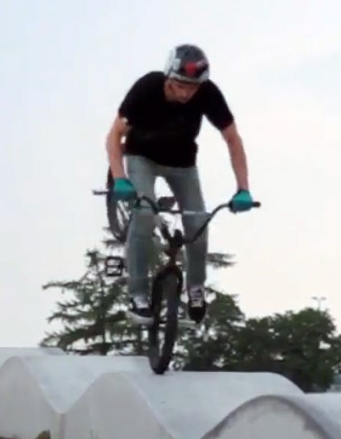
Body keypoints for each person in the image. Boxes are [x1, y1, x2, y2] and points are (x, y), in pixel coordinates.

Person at [104, 44, 255, 326]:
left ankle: (195, 289)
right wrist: (120, 177)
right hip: (141, 157)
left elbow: (233, 139)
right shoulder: (148, 88)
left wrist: (243, 188)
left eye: (192, 88)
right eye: (179, 86)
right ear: (168, 78)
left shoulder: (208, 93)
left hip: (183, 164)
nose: (186, 94)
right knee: (144, 213)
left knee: (198, 222)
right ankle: (137, 295)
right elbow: (114, 136)